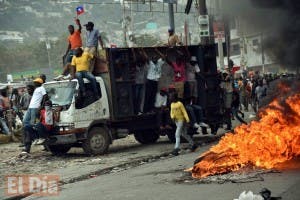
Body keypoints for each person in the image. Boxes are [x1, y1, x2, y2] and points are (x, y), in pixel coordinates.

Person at [142, 48, 163, 113]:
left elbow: (163, 56)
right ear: (152, 59)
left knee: (153, 96)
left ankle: (151, 109)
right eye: (153, 58)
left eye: (156, 58)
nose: (155, 60)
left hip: (155, 81)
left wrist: (157, 50)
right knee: (148, 96)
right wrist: (143, 50)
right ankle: (145, 110)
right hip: (150, 81)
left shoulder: (159, 62)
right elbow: (146, 57)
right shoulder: (150, 63)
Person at [132, 48, 147, 114]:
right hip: (137, 83)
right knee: (136, 98)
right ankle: (136, 110)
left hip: (141, 83)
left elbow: (145, 58)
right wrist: (133, 51)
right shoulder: (137, 65)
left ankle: (139, 110)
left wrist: (142, 50)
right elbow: (135, 59)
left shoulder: (142, 65)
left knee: (140, 98)